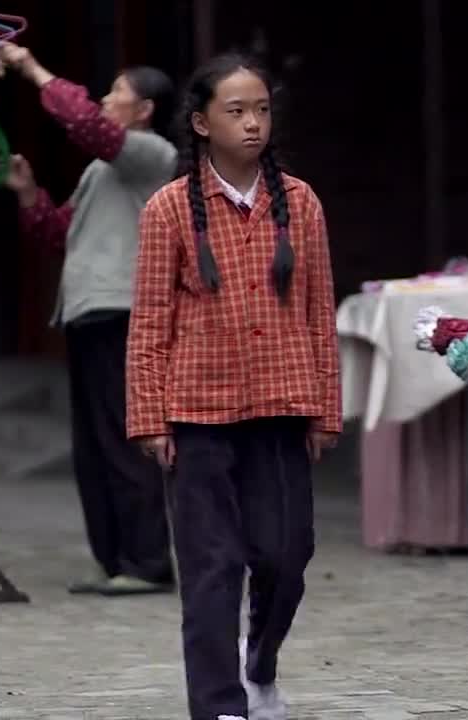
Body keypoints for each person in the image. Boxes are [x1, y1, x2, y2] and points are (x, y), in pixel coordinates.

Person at [125, 53, 341, 720]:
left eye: (262, 110)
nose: (252, 124)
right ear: (200, 122)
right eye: (236, 111)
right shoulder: (167, 210)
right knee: (212, 570)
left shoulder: (299, 203)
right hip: (197, 413)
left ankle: (260, 665)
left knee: (285, 558)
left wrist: (326, 410)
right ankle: (220, 706)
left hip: (282, 407)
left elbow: (318, 310)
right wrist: (149, 419)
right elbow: (149, 322)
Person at [0, 42, 177, 596]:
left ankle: (147, 562)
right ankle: (114, 557)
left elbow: (84, 123)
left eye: (117, 91)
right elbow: (59, 234)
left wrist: (31, 69)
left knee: (124, 439)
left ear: (144, 108)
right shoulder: (103, 171)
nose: (104, 99)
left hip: (123, 311)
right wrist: (28, 195)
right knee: (93, 447)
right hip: (89, 314)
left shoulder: (152, 154)